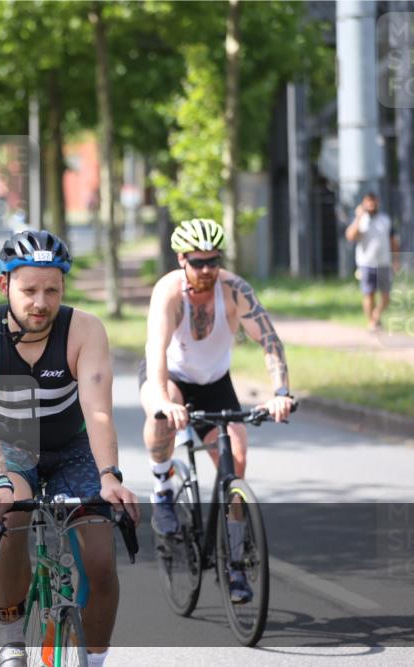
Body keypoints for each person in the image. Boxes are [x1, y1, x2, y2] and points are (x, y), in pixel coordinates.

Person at [0, 230, 139, 667]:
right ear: (5, 285)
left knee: (100, 560)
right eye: (29, 290)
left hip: (74, 447)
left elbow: (98, 411)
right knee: (11, 519)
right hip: (11, 447)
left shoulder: (84, 330)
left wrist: (110, 476)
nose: (41, 302)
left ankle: (94, 660)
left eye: (52, 290)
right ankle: (12, 640)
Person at [140, 218, 295, 603]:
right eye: (198, 262)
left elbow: (270, 340)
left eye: (214, 260)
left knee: (236, 462)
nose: (207, 269)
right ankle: (162, 488)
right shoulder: (168, 293)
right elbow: (156, 350)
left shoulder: (235, 290)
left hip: (214, 382)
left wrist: (280, 392)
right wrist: (163, 401)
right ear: (182, 260)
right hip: (171, 376)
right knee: (160, 414)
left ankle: (235, 564)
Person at [345, 192, 400, 332]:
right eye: (368, 202)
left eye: (373, 201)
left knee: (386, 296)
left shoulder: (385, 220)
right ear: (364, 204)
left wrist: (396, 260)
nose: (371, 205)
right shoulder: (361, 221)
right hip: (366, 263)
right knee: (369, 294)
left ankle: (375, 316)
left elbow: (393, 241)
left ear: (377, 203)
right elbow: (350, 236)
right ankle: (372, 323)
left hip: (383, 263)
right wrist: (358, 217)